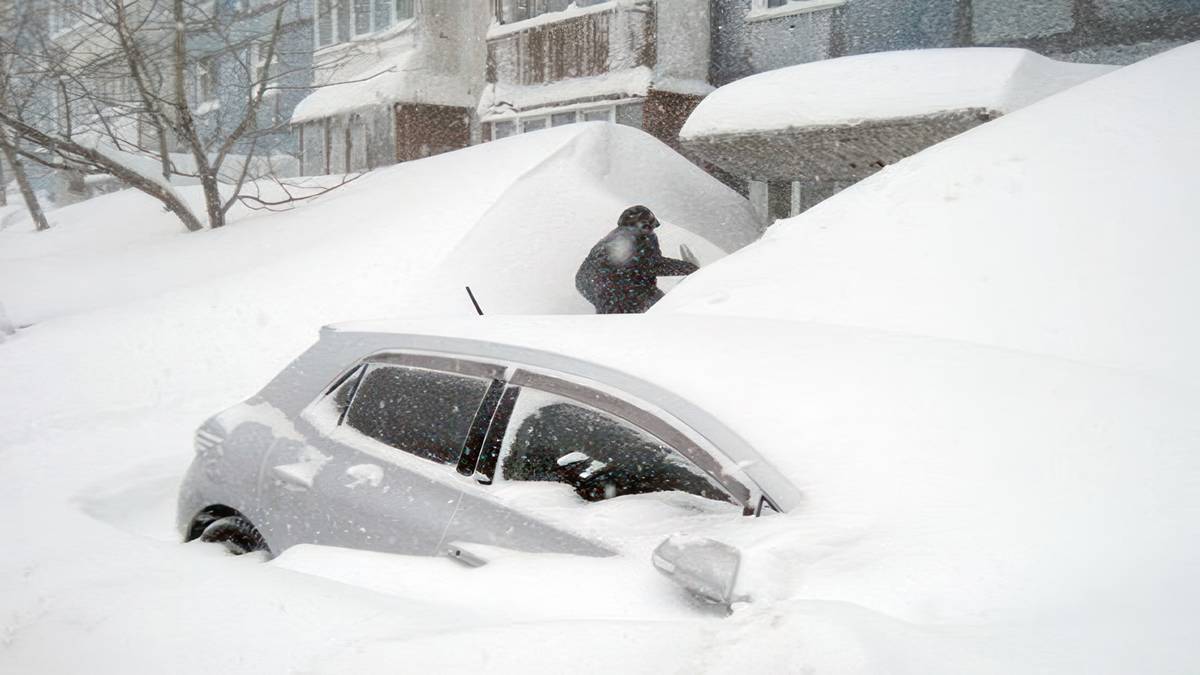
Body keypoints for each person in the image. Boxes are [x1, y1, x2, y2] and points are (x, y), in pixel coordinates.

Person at [575, 205, 700, 314]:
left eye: (651, 227)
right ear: (638, 225)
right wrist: (689, 268)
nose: (651, 230)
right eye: (647, 226)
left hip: (604, 286)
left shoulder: (620, 237)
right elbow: (651, 265)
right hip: (617, 289)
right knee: (659, 310)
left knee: (656, 306)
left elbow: (647, 265)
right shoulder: (627, 239)